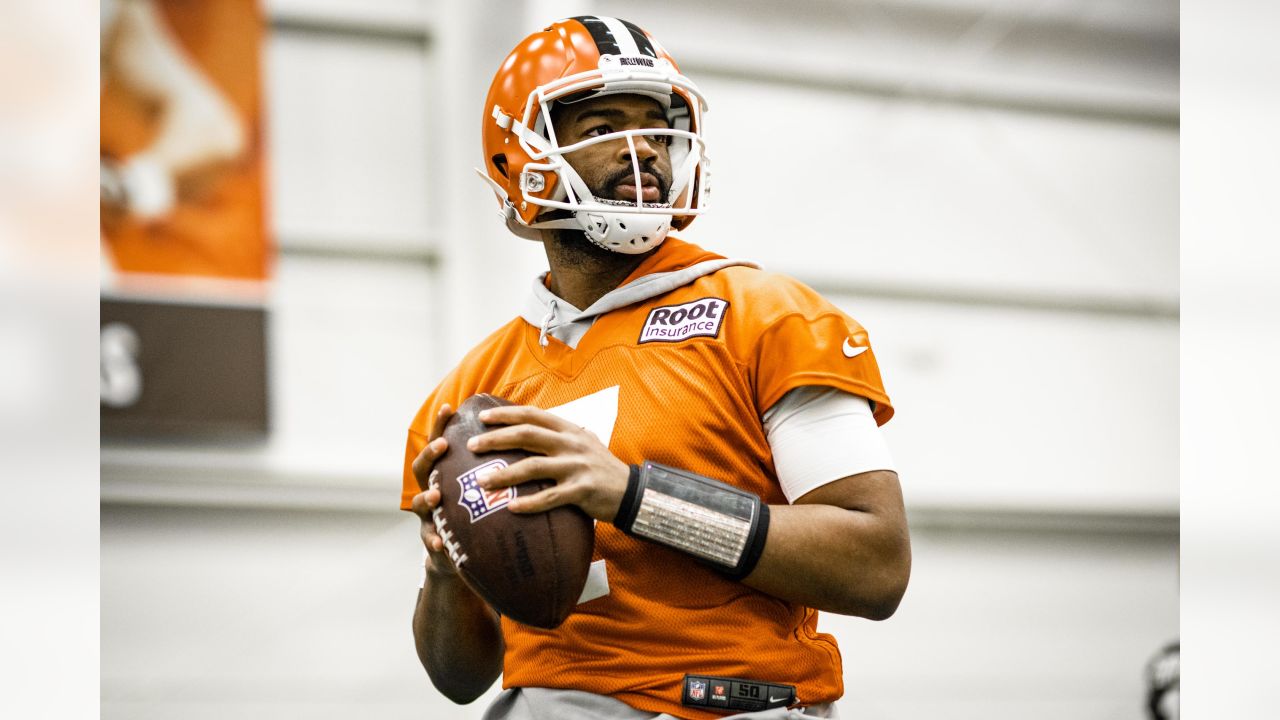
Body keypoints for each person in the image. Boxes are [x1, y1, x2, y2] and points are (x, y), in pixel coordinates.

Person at [401, 16, 911, 720]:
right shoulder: (466, 395)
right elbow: (460, 679)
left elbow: (877, 566)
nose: (641, 150)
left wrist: (634, 497)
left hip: (735, 705)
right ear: (520, 159)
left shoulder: (769, 317)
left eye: (655, 127)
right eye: (603, 125)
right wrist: (447, 571)